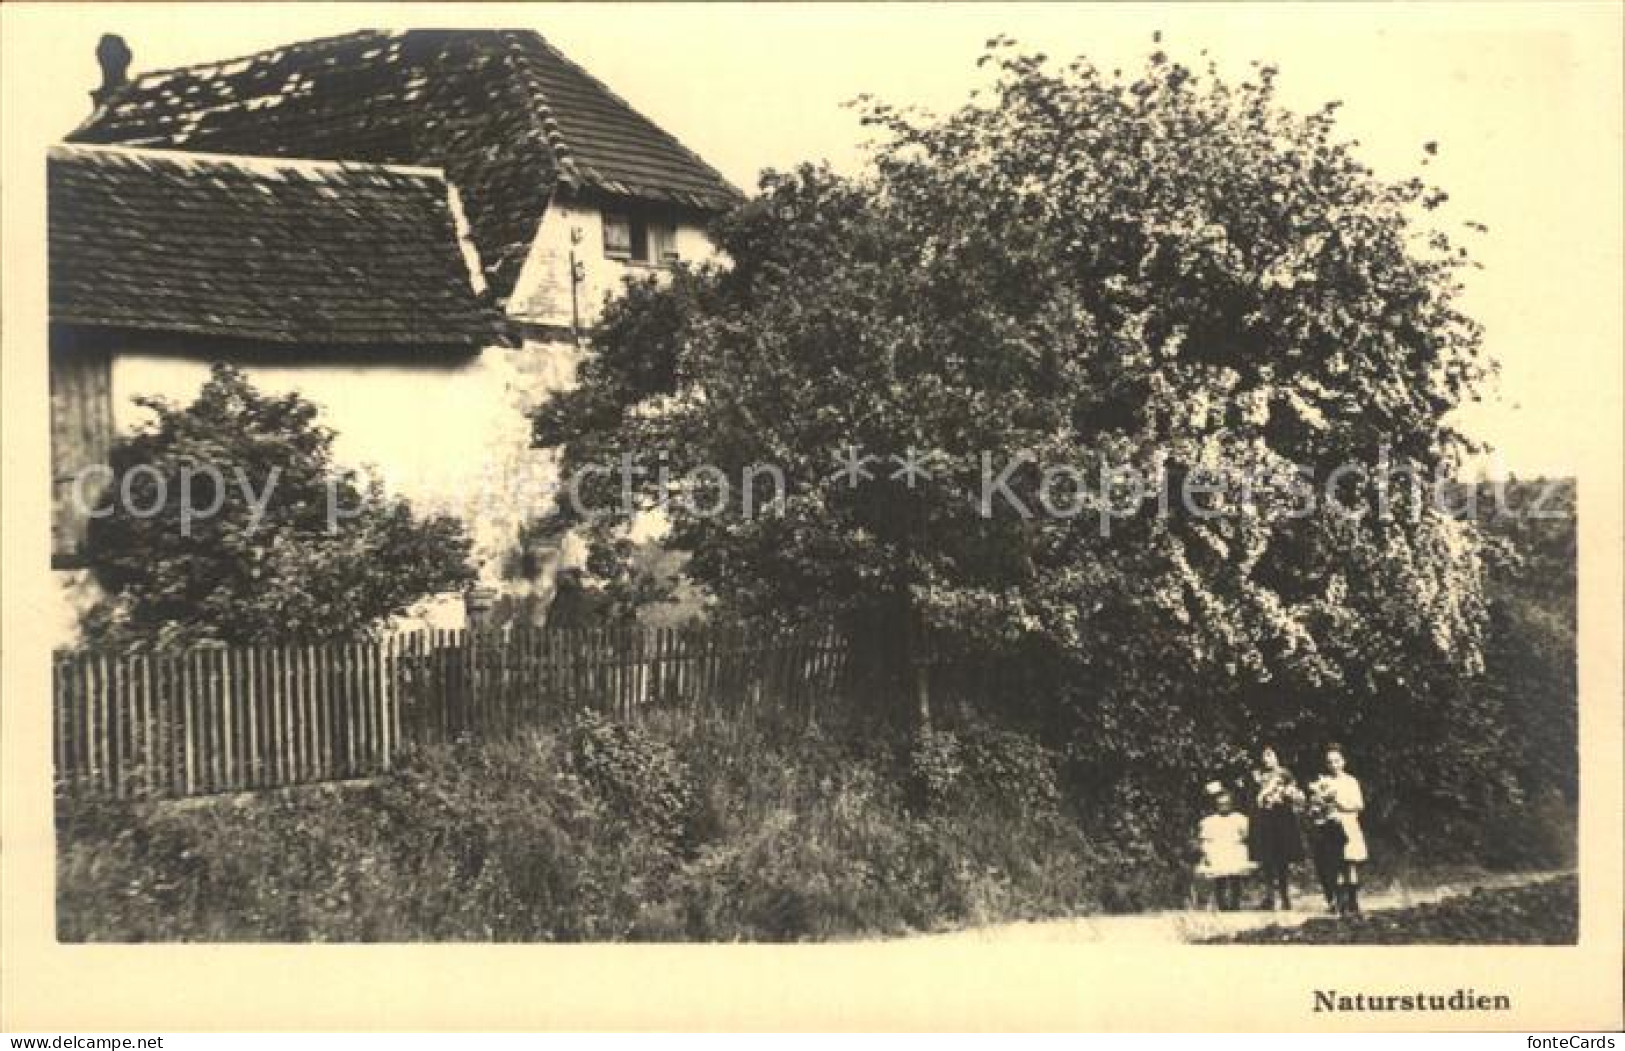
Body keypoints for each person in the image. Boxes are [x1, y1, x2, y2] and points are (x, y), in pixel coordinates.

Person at [1248, 745, 1306, 910]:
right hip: (1265, 820)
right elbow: (1253, 797)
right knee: (1267, 859)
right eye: (1264, 756)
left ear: (1277, 756)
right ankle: (1269, 897)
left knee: (1282, 859)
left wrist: (1286, 794)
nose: (1267, 759)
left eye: (1270, 755)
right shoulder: (1257, 775)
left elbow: (1295, 794)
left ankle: (1285, 896)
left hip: (1282, 818)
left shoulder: (1285, 774)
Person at [1321, 743, 1369, 915]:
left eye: (1337, 761)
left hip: (1348, 825)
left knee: (1350, 864)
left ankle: (1353, 901)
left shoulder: (1350, 781)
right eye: (1330, 762)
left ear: (1343, 762)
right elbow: (1320, 805)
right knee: (1337, 865)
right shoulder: (1324, 782)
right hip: (1332, 827)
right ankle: (1340, 902)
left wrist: (1341, 804)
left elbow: (1359, 805)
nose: (1334, 765)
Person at [1194, 781, 1255, 911]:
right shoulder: (1210, 821)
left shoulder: (1238, 818)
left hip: (1233, 849)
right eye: (1220, 805)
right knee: (1219, 878)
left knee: (1235, 878)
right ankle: (1222, 904)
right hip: (1218, 850)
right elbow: (1205, 839)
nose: (1224, 807)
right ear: (1216, 805)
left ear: (1232, 804)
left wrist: (1239, 842)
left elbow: (1246, 835)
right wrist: (1207, 852)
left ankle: (1235, 903)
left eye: (1227, 804)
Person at [1304, 773, 1348, 912]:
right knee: (1322, 870)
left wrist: (1328, 813)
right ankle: (1331, 901)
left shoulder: (1333, 800)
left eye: (1323, 787)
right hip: (1319, 837)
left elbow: (1336, 818)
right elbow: (1311, 817)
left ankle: (1341, 900)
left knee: (1334, 869)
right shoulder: (1313, 801)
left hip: (1333, 835)